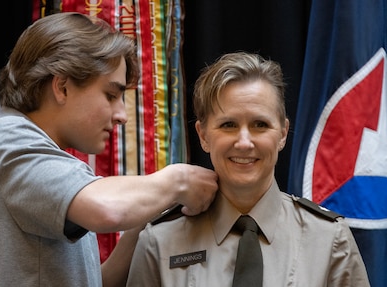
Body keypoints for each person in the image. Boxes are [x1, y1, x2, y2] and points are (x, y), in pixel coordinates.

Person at [0, 12, 218, 287]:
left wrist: (141, 224)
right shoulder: (5, 139)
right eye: (111, 95)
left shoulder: (30, 156)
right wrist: (178, 180)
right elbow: (105, 209)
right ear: (62, 87)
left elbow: (93, 281)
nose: (122, 115)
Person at [126, 52, 370, 286]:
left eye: (260, 124)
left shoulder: (330, 240)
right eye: (228, 125)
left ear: (283, 133)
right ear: (203, 136)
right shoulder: (160, 241)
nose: (244, 142)